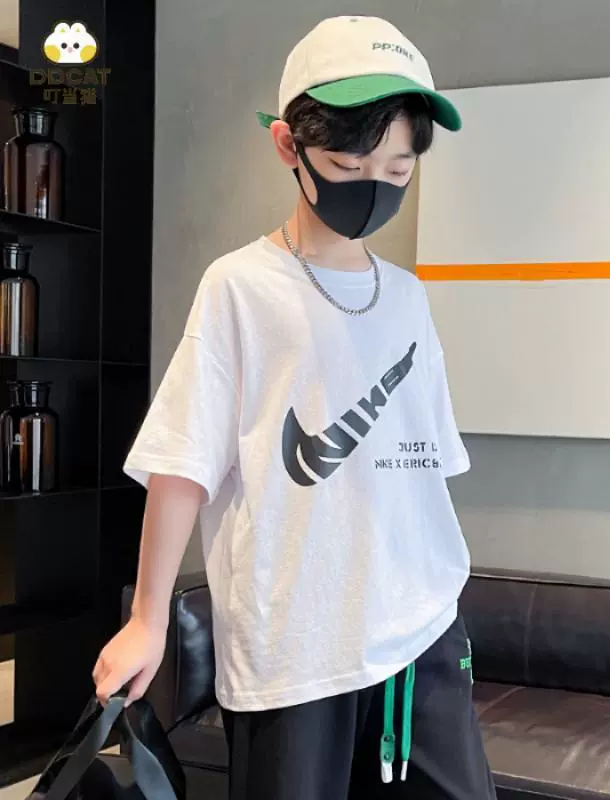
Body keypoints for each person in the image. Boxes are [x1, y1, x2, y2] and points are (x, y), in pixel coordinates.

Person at [92, 15, 496, 800]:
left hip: (421, 632)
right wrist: (148, 619)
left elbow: (422, 470)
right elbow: (182, 461)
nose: (375, 184)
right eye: (348, 163)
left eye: (399, 168)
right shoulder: (240, 289)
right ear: (289, 146)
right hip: (294, 653)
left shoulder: (408, 300)